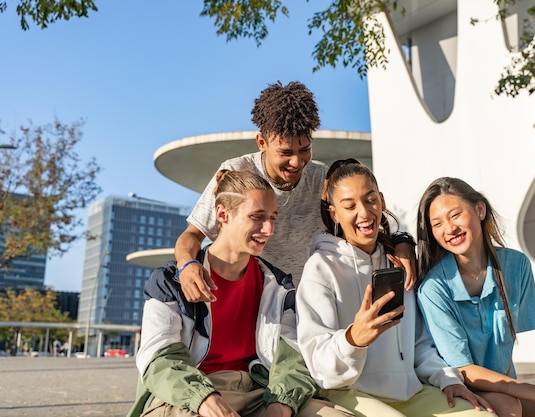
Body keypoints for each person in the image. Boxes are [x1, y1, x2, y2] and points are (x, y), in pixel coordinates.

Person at [128, 169, 352, 417]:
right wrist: (203, 398)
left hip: (261, 391)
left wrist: (281, 404)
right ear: (223, 214)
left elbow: (293, 357)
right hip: (187, 396)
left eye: (272, 218)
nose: (268, 229)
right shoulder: (169, 281)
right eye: (257, 217)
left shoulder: (279, 286)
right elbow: (160, 359)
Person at [175, 81, 416, 303]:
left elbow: (365, 222)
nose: (297, 162)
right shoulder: (236, 172)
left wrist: (403, 242)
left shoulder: (319, 179)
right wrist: (186, 265)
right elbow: (192, 236)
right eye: (285, 152)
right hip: (250, 300)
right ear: (261, 142)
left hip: (303, 304)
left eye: (305, 149)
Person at [296, 160, 495, 417]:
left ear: (381, 200)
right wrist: (353, 339)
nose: (365, 213)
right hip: (350, 392)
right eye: (350, 206)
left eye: (370, 200)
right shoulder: (321, 268)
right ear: (335, 214)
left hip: (408, 391)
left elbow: (420, 343)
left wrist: (448, 379)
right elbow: (318, 362)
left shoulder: (399, 262)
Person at [415, 177, 535, 417]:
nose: (449, 229)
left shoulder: (517, 266)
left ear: (479, 209)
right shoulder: (433, 287)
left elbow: (505, 349)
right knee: (509, 407)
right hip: (452, 389)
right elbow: (462, 368)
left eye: (455, 215)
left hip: (504, 389)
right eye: (437, 223)